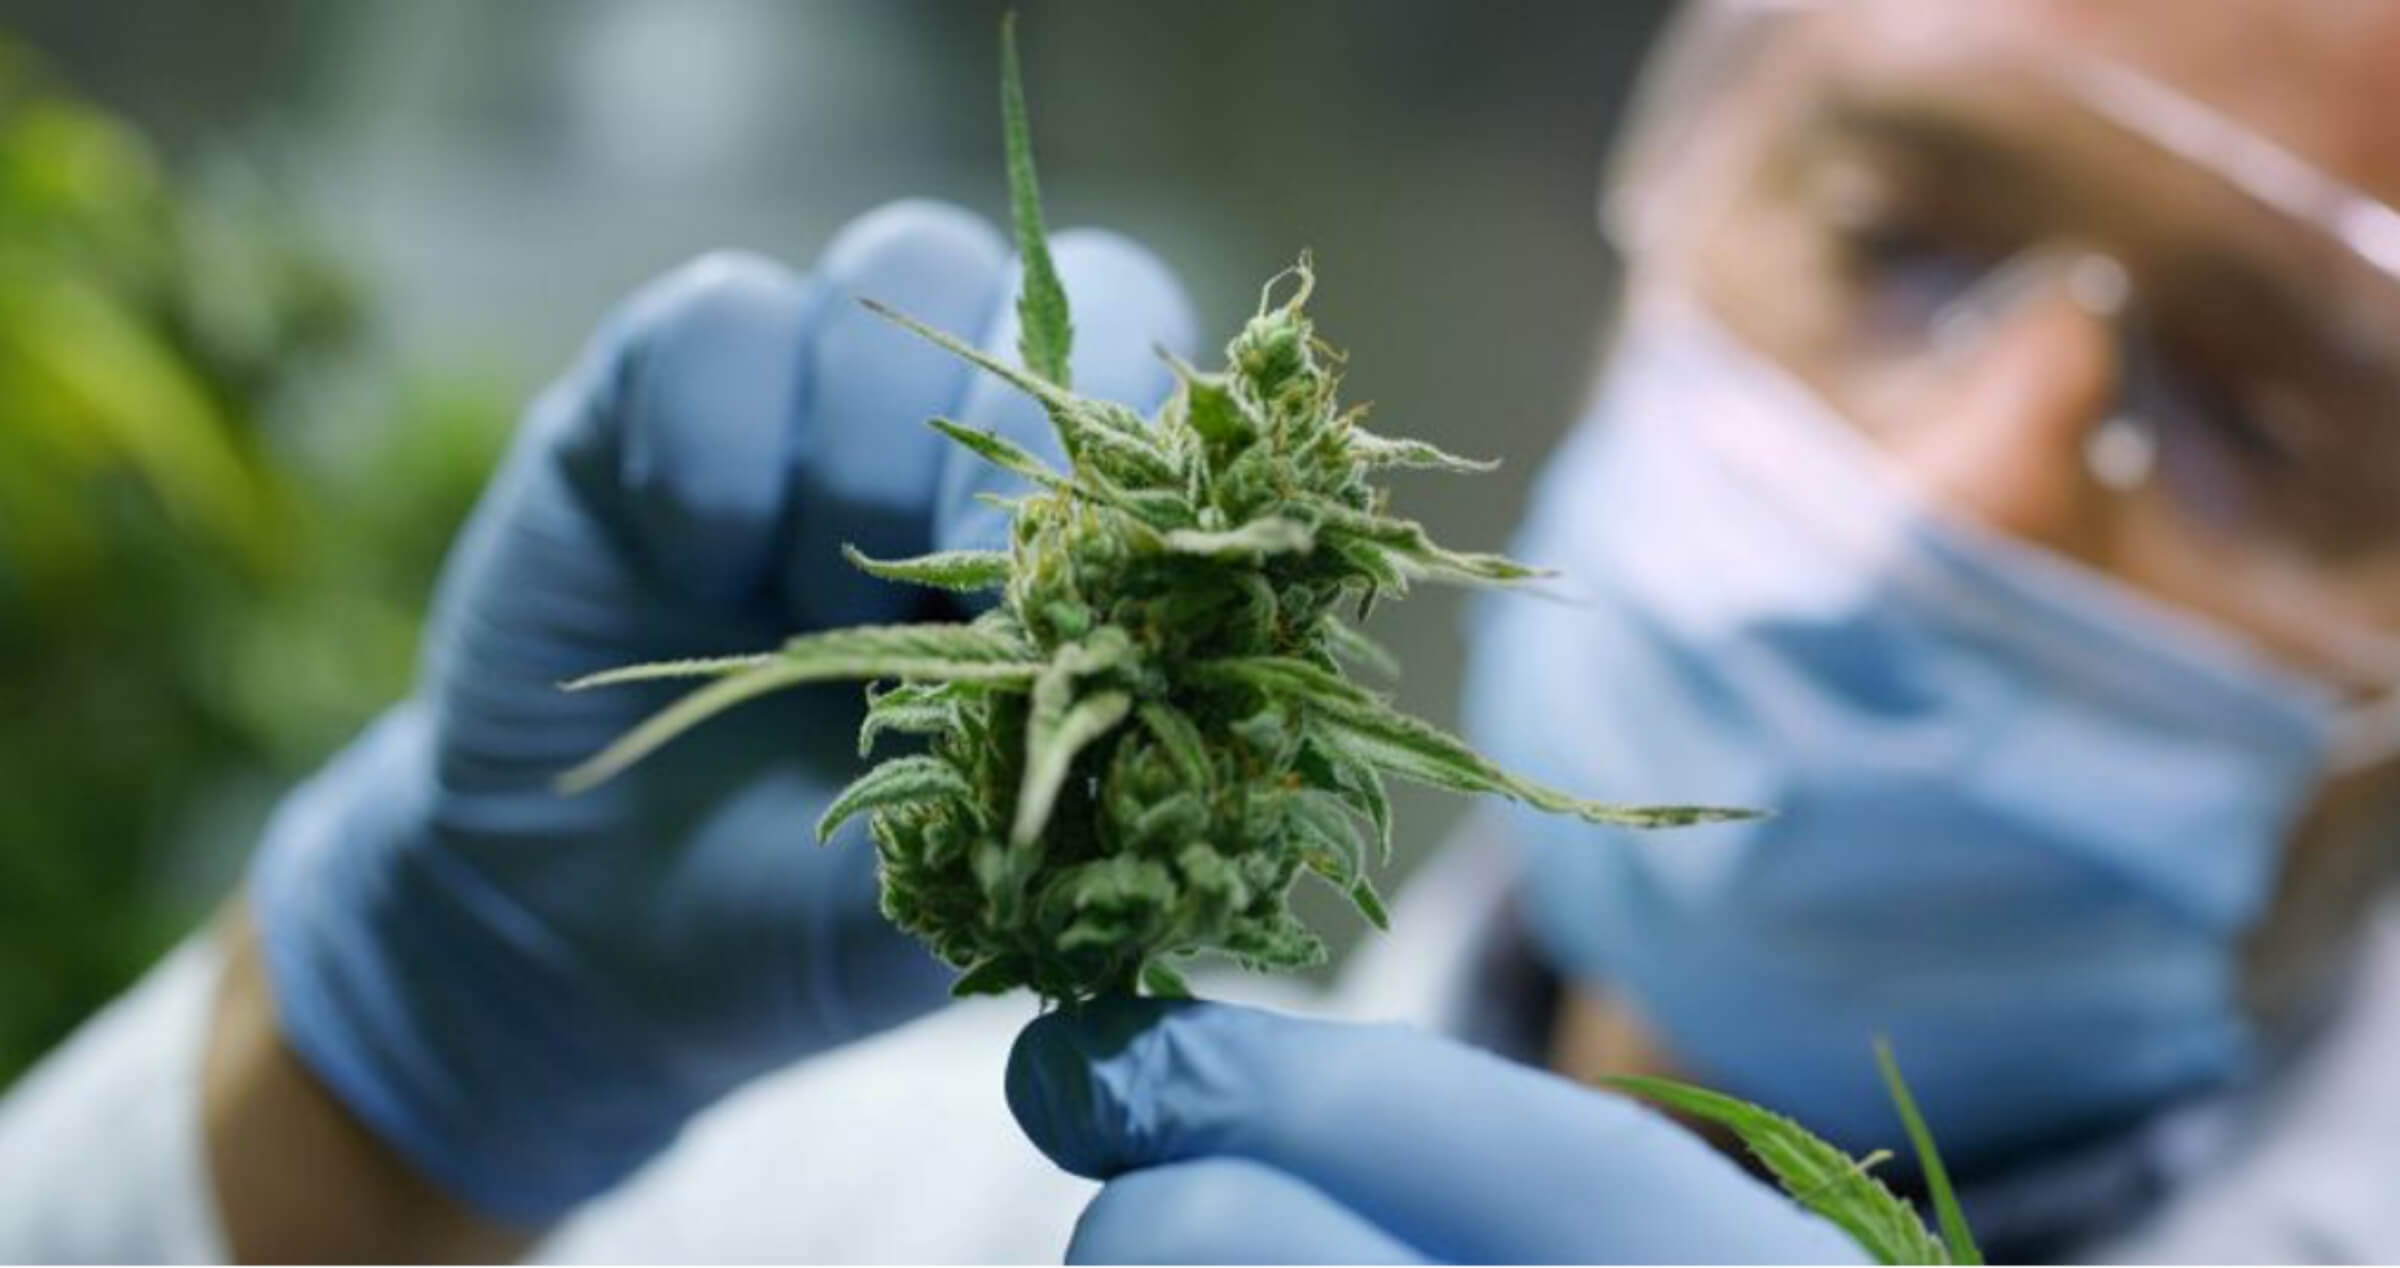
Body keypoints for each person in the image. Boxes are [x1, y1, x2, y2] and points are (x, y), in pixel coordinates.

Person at [8, 0, 2400, 1259]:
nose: (1963, 485)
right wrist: (359, 1119)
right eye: (1896, 238)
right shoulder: (847, 1187)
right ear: (1672, 202)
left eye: (2270, 417)